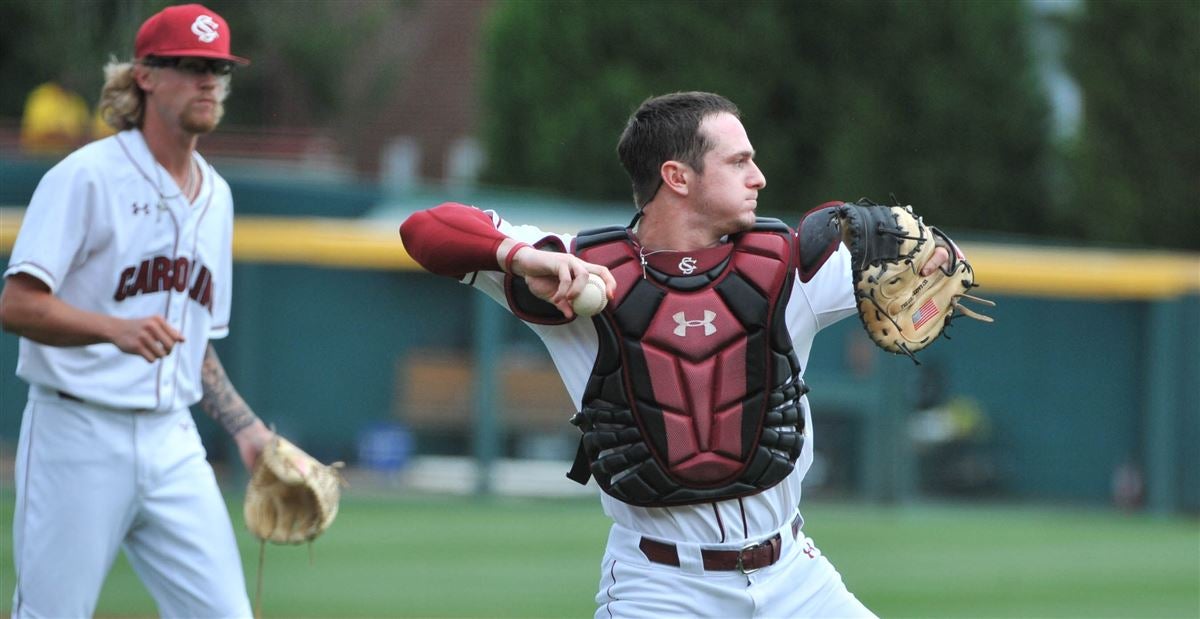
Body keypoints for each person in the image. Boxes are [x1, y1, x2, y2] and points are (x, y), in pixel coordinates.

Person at [399, 91, 954, 617]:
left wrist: (939, 256)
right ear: (677, 176)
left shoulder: (789, 267)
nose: (757, 176)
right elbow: (423, 228)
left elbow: (936, 265)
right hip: (660, 586)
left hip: (794, 577)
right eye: (738, 162)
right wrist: (519, 256)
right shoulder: (578, 273)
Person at [0, 4, 272, 617]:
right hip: (78, 431)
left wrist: (246, 428)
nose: (209, 82)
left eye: (219, 70)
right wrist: (111, 329)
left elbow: (193, 343)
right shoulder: (86, 178)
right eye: (191, 66)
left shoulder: (218, 196)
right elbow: (16, 304)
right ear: (144, 76)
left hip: (172, 440)